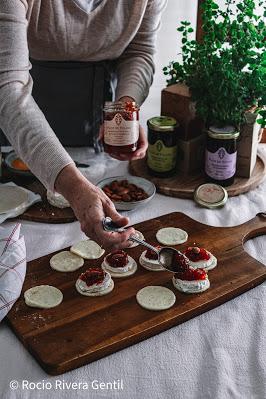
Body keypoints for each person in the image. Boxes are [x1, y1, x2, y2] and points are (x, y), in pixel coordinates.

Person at [0, 0, 167, 249]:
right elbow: (8, 87)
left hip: (98, 126)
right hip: (20, 131)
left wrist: (124, 111)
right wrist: (75, 189)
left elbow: (139, 51)